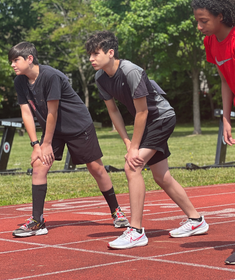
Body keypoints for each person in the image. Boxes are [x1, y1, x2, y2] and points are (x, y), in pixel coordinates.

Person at [85, 31, 209, 250]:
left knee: (132, 168)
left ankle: (136, 231)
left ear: (110, 52)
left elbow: (142, 112)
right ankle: (196, 220)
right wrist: (126, 142)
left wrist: (134, 148)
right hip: (148, 121)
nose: (91, 58)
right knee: (162, 176)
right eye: (90, 54)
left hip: (161, 118)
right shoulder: (100, 77)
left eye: (95, 53)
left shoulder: (131, 71)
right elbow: (113, 111)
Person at [8, 42, 129, 238]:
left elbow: (52, 112)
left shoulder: (51, 76)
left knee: (95, 168)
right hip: (52, 130)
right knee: (39, 166)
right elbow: (26, 113)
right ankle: (37, 221)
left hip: (78, 126)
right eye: (11, 61)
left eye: (16, 60)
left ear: (29, 59)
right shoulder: (20, 81)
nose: (12, 65)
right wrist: (36, 145)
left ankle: (116, 211)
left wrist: (46, 144)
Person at [192, 0, 235, 265]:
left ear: (220, 16)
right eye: (197, 20)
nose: (199, 26)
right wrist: (225, 117)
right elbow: (224, 79)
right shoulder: (211, 42)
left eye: (203, 21)